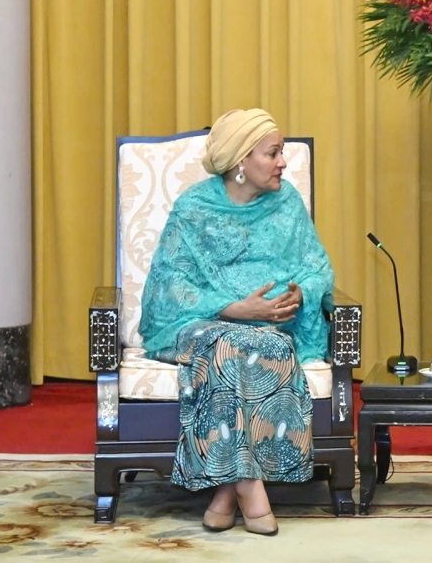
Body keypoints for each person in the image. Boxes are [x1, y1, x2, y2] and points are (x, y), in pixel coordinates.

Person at [138, 109, 334, 536]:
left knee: (271, 346)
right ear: (241, 160)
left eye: (281, 152)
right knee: (226, 345)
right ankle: (251, 489)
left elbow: (316, 267)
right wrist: (233, 308)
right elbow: (169, 285)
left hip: (270, 329)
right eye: (273, 153)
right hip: (195, 324)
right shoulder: (195, 208)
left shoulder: (287, 204)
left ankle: (226, 495)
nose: (283, 162)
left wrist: (302, 292)